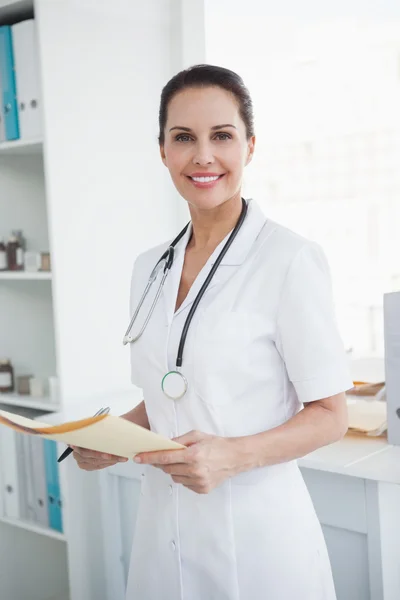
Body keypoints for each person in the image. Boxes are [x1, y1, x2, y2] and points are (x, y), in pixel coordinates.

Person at [72, 64, 353, 600]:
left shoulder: (288, 259)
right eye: (184, 138)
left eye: (221, 136)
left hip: (260, 541)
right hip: (163, 532)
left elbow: (330, 415)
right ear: (162, 151)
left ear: (249, 145)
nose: (203, 155)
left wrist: (233, 455)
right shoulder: (149, 267)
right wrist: (110, 441)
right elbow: (168, 397)